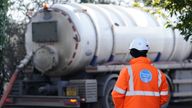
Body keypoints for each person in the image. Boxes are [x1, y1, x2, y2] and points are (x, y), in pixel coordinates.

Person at [111, 38, 169, 108]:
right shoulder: (158, 73)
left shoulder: (127, 71)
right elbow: (164, 97)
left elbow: (116, 95)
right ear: (146, 52)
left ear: (131, 53)